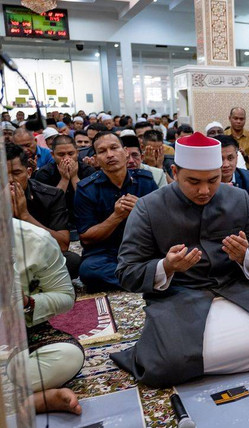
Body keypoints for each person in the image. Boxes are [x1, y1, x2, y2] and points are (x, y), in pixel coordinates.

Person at [110, 132, 249, 387]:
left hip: (234, 289)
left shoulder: (238, 199)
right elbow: (126, 272)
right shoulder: (149, 208)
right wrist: (166, 266)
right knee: (167, 365)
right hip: (178, 294)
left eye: (213, 179)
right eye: (193, 181)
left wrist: (245, 256)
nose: (204, 190)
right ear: (175, 172)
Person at [12, 218, 85, 415]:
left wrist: (27, 302)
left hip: (21, 333)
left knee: (68, 357)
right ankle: (30, 401)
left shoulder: (36, 240)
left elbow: (65, 297)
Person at [75, 132, 158, 289]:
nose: (110, 155)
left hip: (142, 248)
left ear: (125, 152)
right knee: (89, 270)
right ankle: (149, 278)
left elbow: (162, 222)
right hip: (105, 253)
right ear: (96, 159)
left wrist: (141, 210)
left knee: (175, 253)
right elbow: (86, 237)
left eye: (114, 148)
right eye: (102, 151)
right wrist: (116, 216)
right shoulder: (86, 189)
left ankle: (138, 277)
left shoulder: (145, 181)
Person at [7, 143, 82, 279]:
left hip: (37, 256)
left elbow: (63, 245)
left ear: (29, 173)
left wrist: (25, 216)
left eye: (16, 173)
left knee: (72, 261)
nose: (10, 180)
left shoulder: (51, 195)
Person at [33, 135, 96, 232]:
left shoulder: (88, 171)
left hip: (83, 222)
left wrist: (74, 177)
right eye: (61, 155)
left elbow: (90, 202)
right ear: (53, 155)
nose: (67, 158)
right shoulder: (44, 173)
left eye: (71, 154)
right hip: (54, 224)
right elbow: (47, 206)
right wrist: (64, 179)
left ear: (77, 153)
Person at [224, 107, 249, 172]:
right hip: (227, 173)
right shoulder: (223, 136)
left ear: (245, 119)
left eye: (241, 119)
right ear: (229, 118)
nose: (238, 121)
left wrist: (246, 156)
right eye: (235, 118)